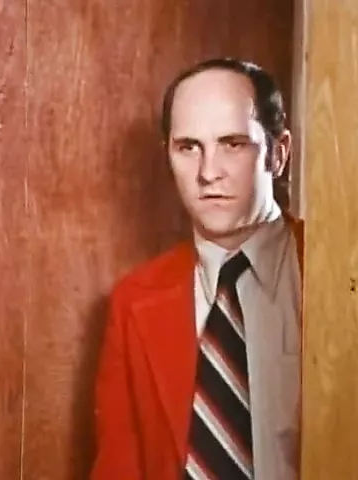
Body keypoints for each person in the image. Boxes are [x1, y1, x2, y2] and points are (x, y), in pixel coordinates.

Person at [90, 57, 304, 480]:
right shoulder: (133, 302)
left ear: (278, 154)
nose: (208, 173)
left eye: (233, 144)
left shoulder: (342, 275)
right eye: (188, 147)